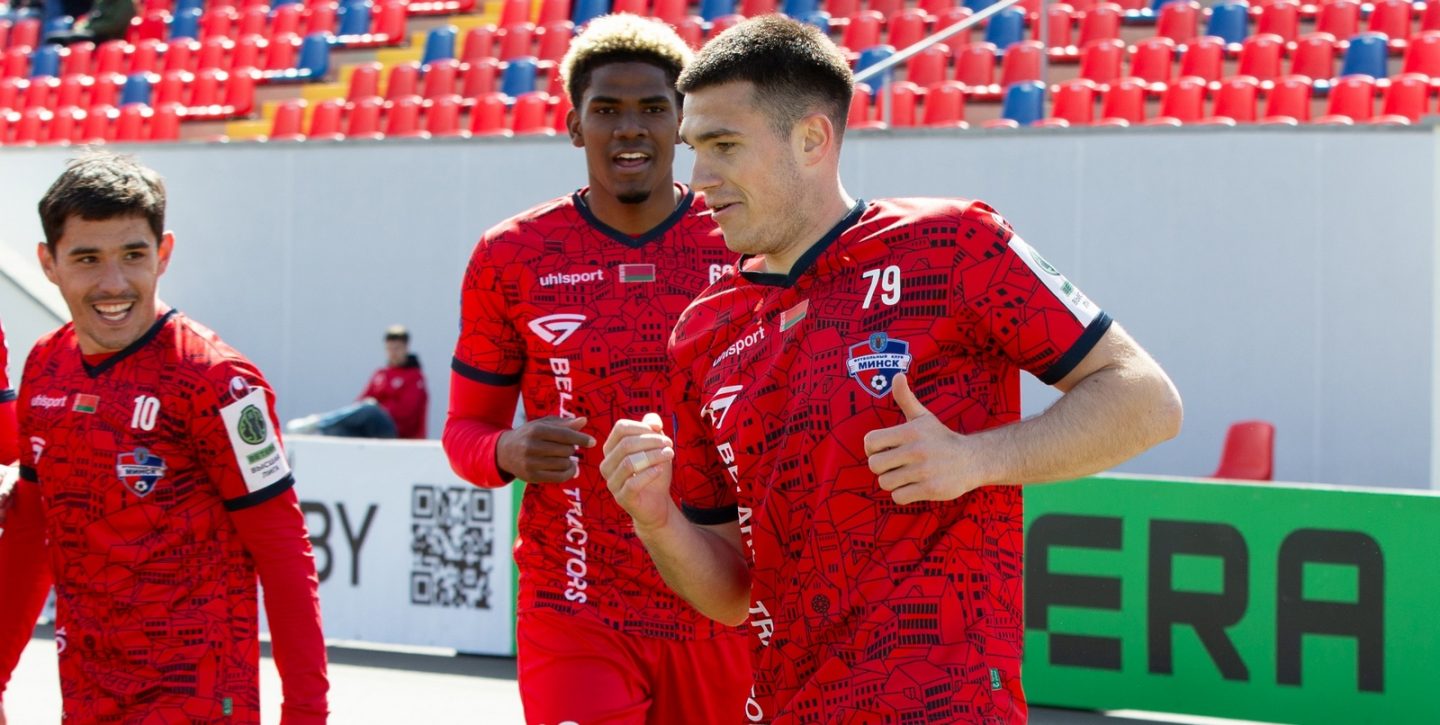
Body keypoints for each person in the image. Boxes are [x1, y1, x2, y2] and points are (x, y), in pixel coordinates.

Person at [600, 15, 1184, 724]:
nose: (698, 180)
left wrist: (975, 459)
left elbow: (1146, 399)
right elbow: (731, 595)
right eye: (695, 149)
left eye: (724, 146)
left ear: (812, 139)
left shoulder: (955, 244)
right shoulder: (701, 333)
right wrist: (657, 520)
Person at [442, 14, 750, 725]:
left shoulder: (744, 239)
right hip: (574, 606)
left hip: (720, 603)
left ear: (682, 124)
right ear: (574, 125)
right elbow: (464, 431)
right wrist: (507, 449)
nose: (629, 129)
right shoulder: (511, 255)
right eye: (606, 110)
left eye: (653, 109)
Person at [0, 151, 328, 724]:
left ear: (164, 252)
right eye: (87, 258)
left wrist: (306, 713)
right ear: (48, 263)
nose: (113, 283)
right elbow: (32, 532)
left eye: (133, 255)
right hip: (86, 696)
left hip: (200, 703)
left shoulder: (219, 380)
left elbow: (283, 552)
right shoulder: (46, 365)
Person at [285, 325, 428, 440]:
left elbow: (406, 412)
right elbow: (360, 402)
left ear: (406, 348)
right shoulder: (381, 374)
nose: (393, 353)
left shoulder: (414, 377)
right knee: (338, 430)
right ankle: (317, 431)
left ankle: (317, 422)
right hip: (370, 430)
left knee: (370, 409)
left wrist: (378, 408)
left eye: (397, 348)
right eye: (389, 349)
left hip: (397, 433)